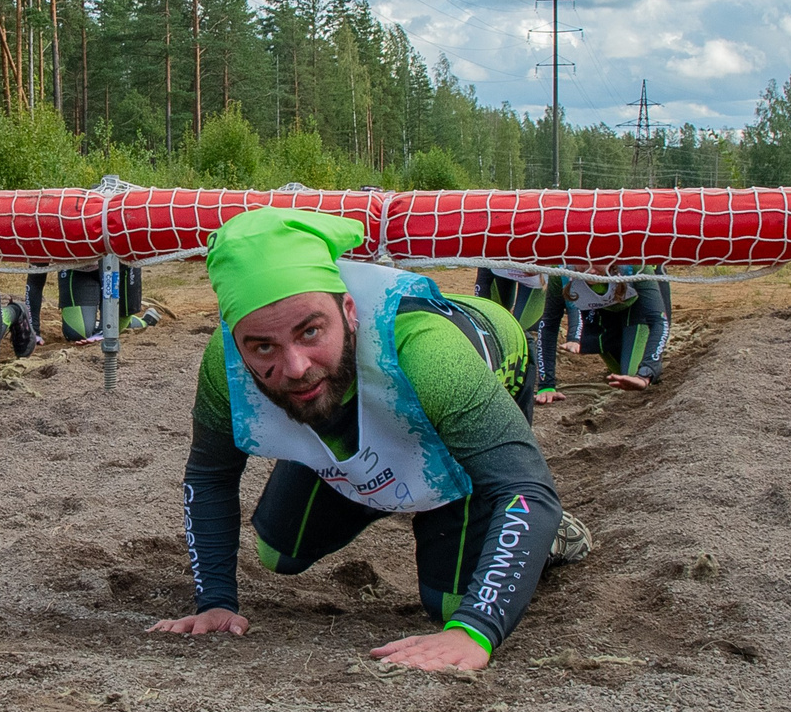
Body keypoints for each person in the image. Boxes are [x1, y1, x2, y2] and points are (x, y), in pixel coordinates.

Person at [147, 208, 591, 674]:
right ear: (237, 342)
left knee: (451, 605)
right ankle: (375, 482)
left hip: (466, 375)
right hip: (353, 401)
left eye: (310, 331)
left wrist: (477, 628)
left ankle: (553, 538)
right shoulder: (225, 362)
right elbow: (210, 475)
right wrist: (214, 600)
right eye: (263, 347)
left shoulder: (430, 355)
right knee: (277, 551)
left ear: (349, 311)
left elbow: (525, 489)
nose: (296, 366)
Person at [529, 269, 670, 404]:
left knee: (634, 377)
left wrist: (646, 373)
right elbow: (549, 324)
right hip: (599, 311)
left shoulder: (633, 266)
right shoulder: (562, 270)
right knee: (620, 374)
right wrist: (546, 385)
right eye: (584, 262)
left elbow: (659, 321)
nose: (591, 270)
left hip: (637, 306)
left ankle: (641, 357)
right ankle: (621, 348)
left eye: (598, 262)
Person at [25, 265, 145, 342]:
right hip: (77, 270)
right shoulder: (48, 231)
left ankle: (134, 321)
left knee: (111, 330)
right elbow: (35, 281)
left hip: (117, 267)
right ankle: (106, 322)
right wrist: (33, 330)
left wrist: (104, 330)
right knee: (77, 333)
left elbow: (109, 278)